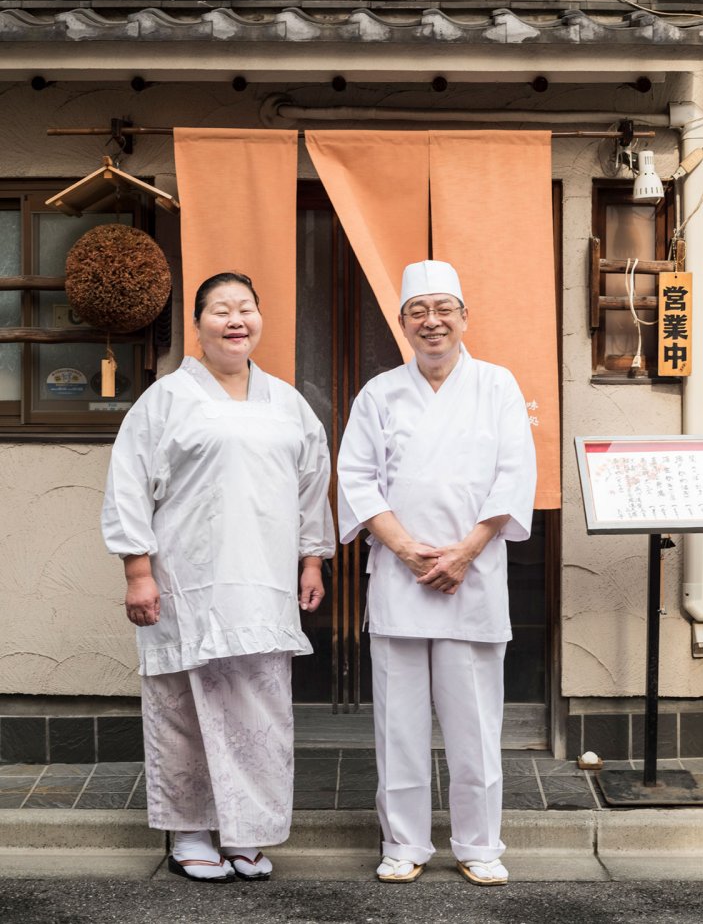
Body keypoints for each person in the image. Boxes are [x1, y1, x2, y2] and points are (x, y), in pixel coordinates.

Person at [102, 271, 335, 883]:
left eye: (246, 308)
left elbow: (313, 484)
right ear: (198, 324)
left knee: (259, 709)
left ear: (260, 319)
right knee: (184, 703)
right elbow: (129, 485)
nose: (236, 320)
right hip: (186, 581)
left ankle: (248, 834)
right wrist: (137, 570)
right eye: (220, 310)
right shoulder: (166, 400)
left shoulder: (288, 403)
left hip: (264, 585)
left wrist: (313, 557)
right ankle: (191, 832)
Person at [337, 260, 536, 886]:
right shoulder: (379, 393)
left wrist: (465, 551)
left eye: (443, 308)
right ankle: (404, 843)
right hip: (401, 579)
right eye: (418, 312)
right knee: (399, 723)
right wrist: (405, 548)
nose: (432, 322)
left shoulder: (498, 385)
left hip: (471, 579)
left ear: (463, 316)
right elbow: (357, 477)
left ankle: (479, 844)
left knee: (476, 723)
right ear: (402, 323)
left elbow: (514, 474)